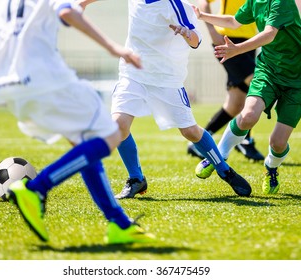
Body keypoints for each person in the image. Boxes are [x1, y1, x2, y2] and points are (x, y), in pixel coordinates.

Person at [0, 0, 156, 244]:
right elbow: (66, 11)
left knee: (83, 146)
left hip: (10, 91)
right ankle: (37, 189)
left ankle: (119, 224)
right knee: (111, 135)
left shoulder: (0, 5)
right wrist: (114, 48)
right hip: (47, 82)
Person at [84, 0, 252, 199]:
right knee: (118, 126)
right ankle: (136, 178)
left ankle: (224, 170)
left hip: (166, 78)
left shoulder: (176, 5)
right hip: (133, 73)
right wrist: (83, 3)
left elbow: (196, 40)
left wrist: (186, 34)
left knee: (190, 131)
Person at [193, 0, 301, 194]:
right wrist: (203, 16)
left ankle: (271, 168)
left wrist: (237, 50)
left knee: (277, 143)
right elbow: (234, 21)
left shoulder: (281, 2)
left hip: (298, 79)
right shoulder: (254, 1)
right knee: (248, 114)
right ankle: (218, 155)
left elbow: (269, 34)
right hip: (268, 71)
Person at [187, 0, 264, 162]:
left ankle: (198, 143)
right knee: (256, 82)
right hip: (228, 40)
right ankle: (244, 140)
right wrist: (212, 31)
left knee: (235, 103)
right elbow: (204, 2)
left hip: (249, 42)